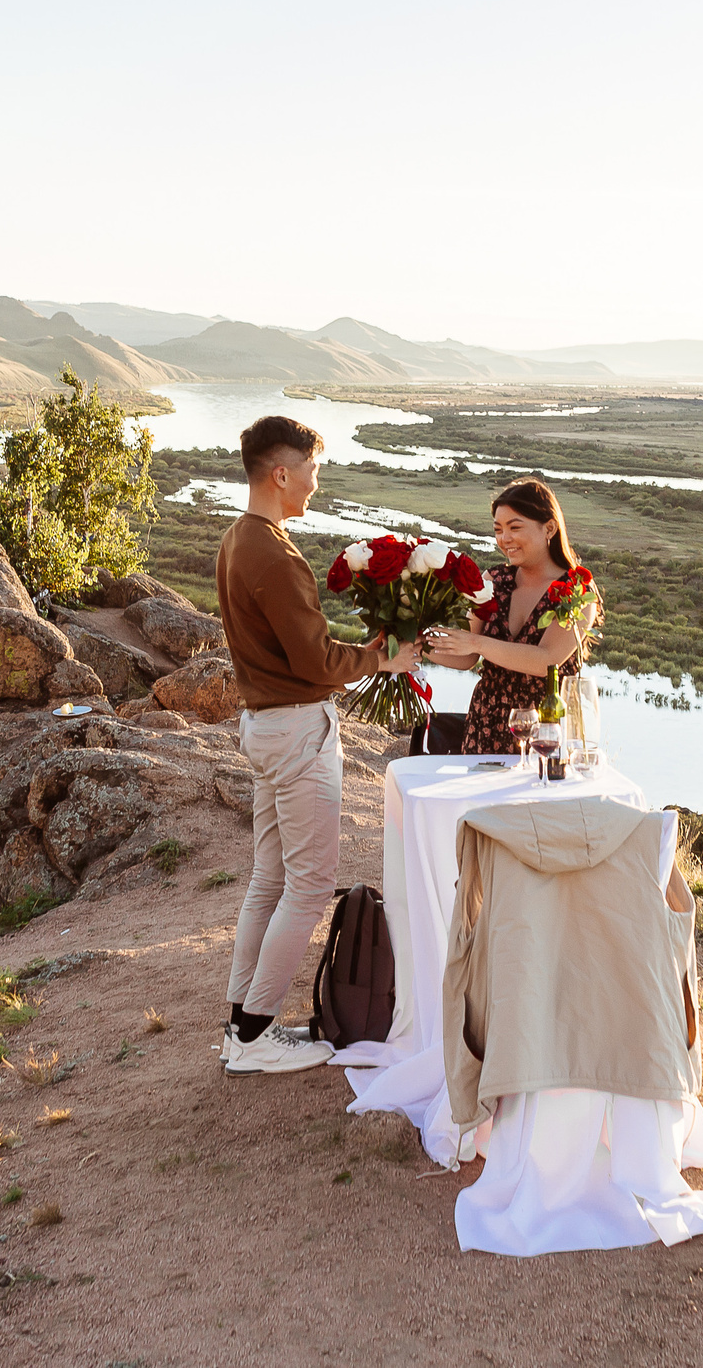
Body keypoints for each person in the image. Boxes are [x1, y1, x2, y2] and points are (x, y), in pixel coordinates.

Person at [213, 414, 420, 1076]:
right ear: (281, 472)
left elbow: (296, 650)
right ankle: (254, 1036)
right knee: (307, 886)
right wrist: (380, 658)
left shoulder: (238, 539)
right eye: (312, 470)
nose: (315, 482)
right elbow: (313, 659)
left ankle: (241, 1027)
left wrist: (362, 652)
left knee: (270, 879)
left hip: (266, 726)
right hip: (297, 728)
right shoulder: (273, 553)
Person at [423, 477, 600, 755]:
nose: (504, 539)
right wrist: (412, 641)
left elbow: (547, 660)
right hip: (485, 726)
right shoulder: (493, 580)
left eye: (514, 527)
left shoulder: (576, 589)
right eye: (498, 529)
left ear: (549, 528)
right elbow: (465, 656)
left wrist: (477, 643)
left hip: (546, 732)